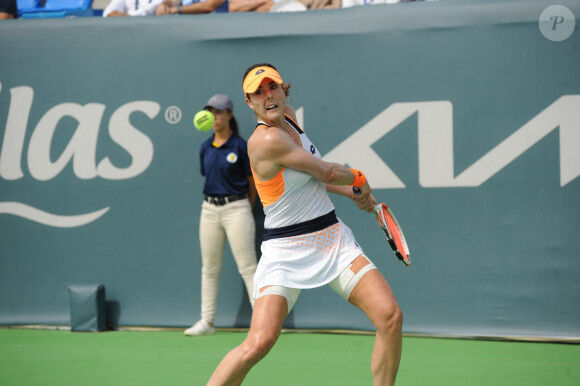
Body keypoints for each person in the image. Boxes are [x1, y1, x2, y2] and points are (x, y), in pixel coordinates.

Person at [207, 64, 403, 385]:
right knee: (258, 344)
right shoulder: (263, 142)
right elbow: (326, 171)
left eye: (273, 87)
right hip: (285, 253)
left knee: (390, 317)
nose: (268, 95)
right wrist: (359, 179)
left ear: (284, 89)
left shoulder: (291, 117)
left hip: (332, 241)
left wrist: (350, 193)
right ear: (249, 102)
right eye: (259, 91)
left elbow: (312, 178)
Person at [185, 94, 258, 337]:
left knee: (248, 267)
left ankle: (262, 323)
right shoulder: (205, 147)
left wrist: (242, 207)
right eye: (211, 112)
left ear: (229, 114)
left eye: (218, 112)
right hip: (209, 210)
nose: (214, 116)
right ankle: (207, 321)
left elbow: (252, 183)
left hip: (237, 209)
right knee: (209, 268)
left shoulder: (240, 146)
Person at [155, 0, 228, 15]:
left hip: (213, 30)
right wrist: (164, 5)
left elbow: (209, 6)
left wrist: (177, 10)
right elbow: (173, 1)